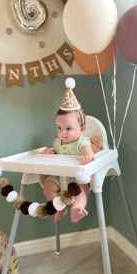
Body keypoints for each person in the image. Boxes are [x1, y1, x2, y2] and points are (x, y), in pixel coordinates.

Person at [42, 78, 95, 223]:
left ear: (82, 130)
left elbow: (87, 150)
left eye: (68, 128)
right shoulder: (57, 142)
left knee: (82, 190)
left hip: (77, 178)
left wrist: (87, 155)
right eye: (59, 128)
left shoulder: (81, 141)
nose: (63, 132)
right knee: (47, 186)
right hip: (60, 176)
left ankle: (76, 210)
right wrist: (50, 153)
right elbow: (56, 155)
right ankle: (59, 208)